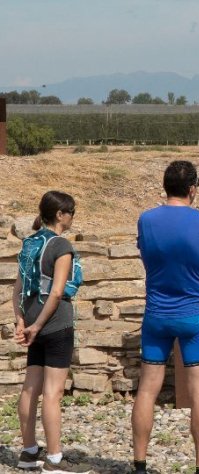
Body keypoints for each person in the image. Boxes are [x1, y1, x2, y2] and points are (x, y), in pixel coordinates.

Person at [132, 161, 199, 474]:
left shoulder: (146, 220)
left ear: (165, 186)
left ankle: (140, 463)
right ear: (192, 189)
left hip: (157, 314)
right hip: (194, 315)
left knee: (147, 389)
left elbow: (146, 255)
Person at [14, 191, 91, 473]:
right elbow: (57, 292)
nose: (73, 217)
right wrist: (37, 325)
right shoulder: (61, 245)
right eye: (71, 212)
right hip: (55, 323)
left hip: (33, 320)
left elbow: (17, 288)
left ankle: (28, 452)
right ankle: (55, 459)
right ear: (60, 215)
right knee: (53, 392)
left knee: (30, 387)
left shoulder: (29, 243)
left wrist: (21, 321)